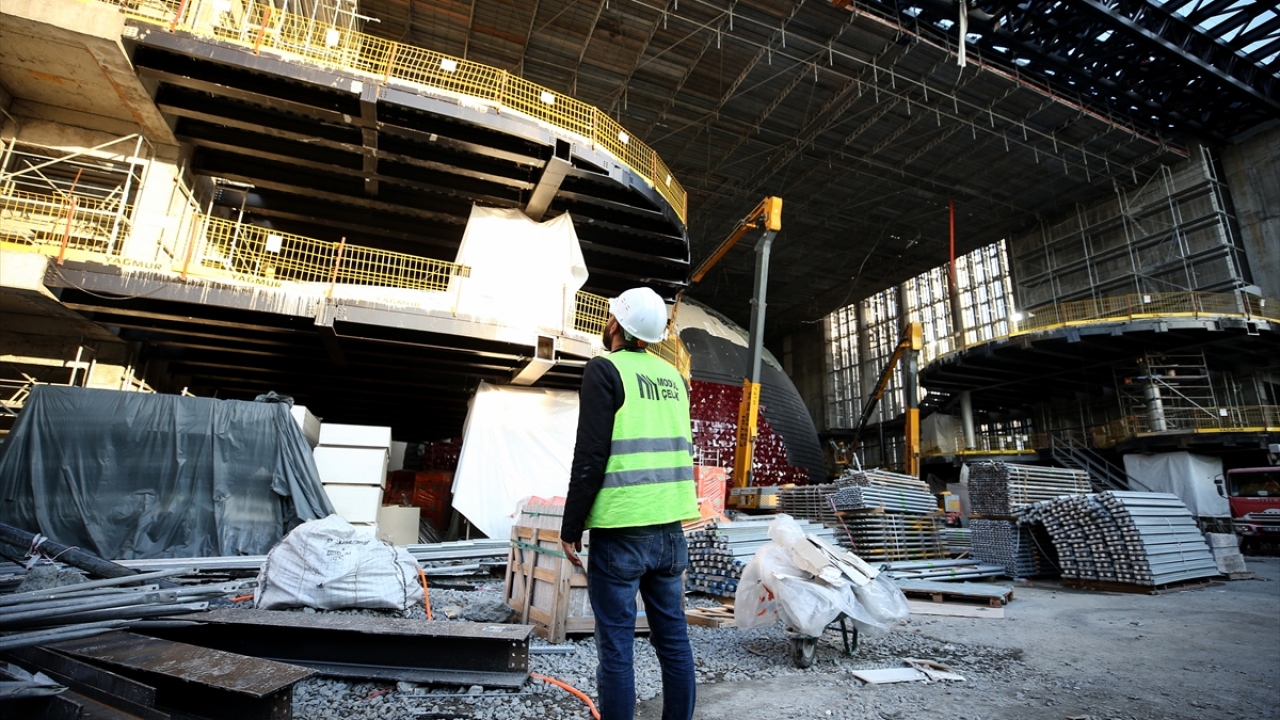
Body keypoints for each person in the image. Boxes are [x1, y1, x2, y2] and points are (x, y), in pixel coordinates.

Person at [560, 287, 699, 720]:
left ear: (617, 324)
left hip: (621, 531)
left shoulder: (604, 370)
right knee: (674, 639)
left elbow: (590, 456)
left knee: (617, 646)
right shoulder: (674, 378)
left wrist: (571, 527)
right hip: (671, 531)